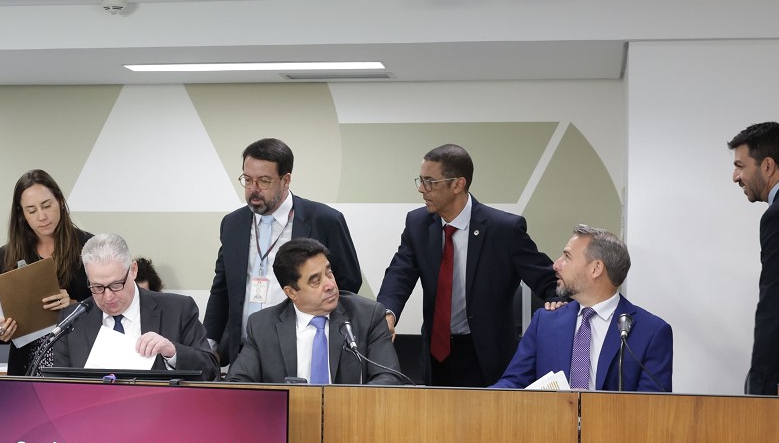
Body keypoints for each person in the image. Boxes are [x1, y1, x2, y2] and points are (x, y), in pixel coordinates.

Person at [376, 143, 559, 387]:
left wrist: (558, 302)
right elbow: (400, 273)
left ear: (457, 184)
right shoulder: (418, 223)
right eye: (420, 180)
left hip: (486, 356)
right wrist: (387, 314)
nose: (421, 189)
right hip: (436, 355)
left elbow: (549, 281)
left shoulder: (503, 230)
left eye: (430, 182)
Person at [206, 138, 362, 369]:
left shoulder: (324, 220)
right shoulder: (232, 224)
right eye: (247, 180)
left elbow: (348, 282)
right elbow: (222, 288)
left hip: (302, 349)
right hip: (244, 351)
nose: (253, 189)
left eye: (264, 181)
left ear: (285, 180)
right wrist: (208, 344)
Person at [493, 226, 673, 391]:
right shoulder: (545, 321)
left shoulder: (651, 332)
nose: (556, 265)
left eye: (567, 257)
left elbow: (653, 406)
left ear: (596, 269)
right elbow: (513, 383)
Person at [227, 238, 402, 385]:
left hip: (350, 413)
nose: (330, 285)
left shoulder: (367, 315)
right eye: (316, 281)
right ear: (291, 292)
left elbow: (389, 378)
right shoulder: (263, 326)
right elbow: (237, 383)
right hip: (288, 415)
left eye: (329, 273)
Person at [46, 233, 217, 380]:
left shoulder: (177, 310)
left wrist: (172, 352)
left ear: (133, 270)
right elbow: (58, 386)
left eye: (116, 285)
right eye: (97, 287)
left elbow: (210, 371)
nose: (108, 296)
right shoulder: (72, 321)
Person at [0, 170, 94, 376]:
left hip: (76, 361)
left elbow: (109, 306)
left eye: (47, 206)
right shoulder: (8, 255)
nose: (42, 216)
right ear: (22, 214)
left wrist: (75, 305)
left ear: (60, 201)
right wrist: (1, 330)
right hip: (28, 366)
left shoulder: (89, 246)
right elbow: (0, 316)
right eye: (31, 210)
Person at [728, 121, 779, 395]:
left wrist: (760, 390)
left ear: (767, 166)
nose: (735, 176)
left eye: (740, 166)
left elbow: (775, 306)